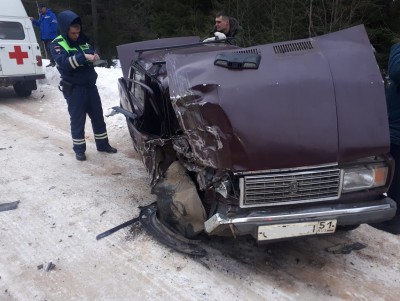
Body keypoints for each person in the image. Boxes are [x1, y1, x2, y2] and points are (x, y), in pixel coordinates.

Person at [49, 10, 117, 161]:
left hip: (90, 86)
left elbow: (90, 52)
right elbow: (65, 64)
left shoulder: (82, 39)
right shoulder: (57, 45)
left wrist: (94, 56)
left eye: (78, 32)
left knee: (98, 118)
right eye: (73, 33)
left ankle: (103, 145)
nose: (76, 36)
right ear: (66, 29)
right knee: (78, 120)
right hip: (74, 89)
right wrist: (83, 57)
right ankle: (79, 150)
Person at [371, 43, 400, 234]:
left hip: (397, 131)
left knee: (396, 177)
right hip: (391, 125)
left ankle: (394, 221)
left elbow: (396, 70)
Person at [30, 3, 58, 67]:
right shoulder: (41, 16)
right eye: (40, 9)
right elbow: (39, 24)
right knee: (47, 49)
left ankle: (55, 61)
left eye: (41, 8)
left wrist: (51, 32)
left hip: (51, 36)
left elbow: (54, 24)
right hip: (44, 36)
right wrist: (33, 20)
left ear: (45, 8)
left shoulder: (51, 15)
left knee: (50, 49)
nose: (40, 10)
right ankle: (52, 62)